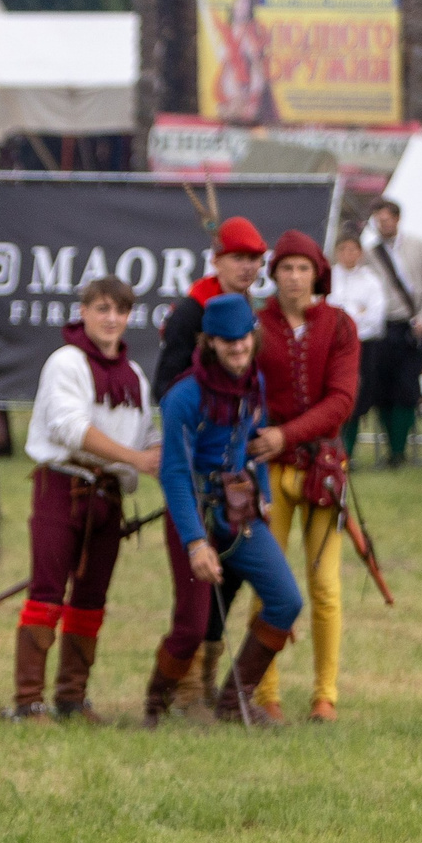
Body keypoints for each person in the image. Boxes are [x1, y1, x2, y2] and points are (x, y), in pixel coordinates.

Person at [144, 292, 304, 729]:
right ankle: (156, 705)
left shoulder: (254, 382)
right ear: (209, 342)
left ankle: (234, 700)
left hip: (238, 512)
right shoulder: (182, 397)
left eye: (244, 341)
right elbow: (174, 475)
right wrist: (195, 543)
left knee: (286, 600)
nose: (238, 350)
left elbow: (254, 442)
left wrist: (264, 491)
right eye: (227, 343)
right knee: (191, 625)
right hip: (193, 511)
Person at [13, 276, 159, 723]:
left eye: (120, 310)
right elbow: (70, 430)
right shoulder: (67, 362)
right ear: (84, 311)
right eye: (101, 308)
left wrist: (167, 448)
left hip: (109, 496)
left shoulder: (133, 376)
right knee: (48, 592)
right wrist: (135, 457)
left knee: (92, 597)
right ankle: (28, 701)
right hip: (64, 485)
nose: (111, 318)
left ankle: (72, 698)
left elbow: (148, 433)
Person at [245, 229, 359, 724]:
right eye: (286, 268)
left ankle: (324, 696)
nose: (294, 277)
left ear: (318, 274)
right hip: (266, 472)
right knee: (266, 584)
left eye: (303, 268)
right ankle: (264, 693)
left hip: (322, 469)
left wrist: (285, 434)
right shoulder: (252, 325)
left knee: (325, 585)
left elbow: (341, 401)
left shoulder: (340, 326)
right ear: (273, 274)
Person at [359, 197, 422, 467]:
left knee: (407, 389)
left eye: (386, 219)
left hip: (410, 327)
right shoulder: (369, 254)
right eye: (378, 221)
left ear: (397, 218)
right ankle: (389, 449)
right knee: (381, 390)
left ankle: (400, 450)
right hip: (381, 329)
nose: (383, 225)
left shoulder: (418, 247)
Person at [154, 216, 268, 400]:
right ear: (216, 261)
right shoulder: (191, 312)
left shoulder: (252, 307)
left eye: (254, 258)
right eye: (237, 258)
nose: (247, 267)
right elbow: (166, 385)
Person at [330, 232, 389, 457]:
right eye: (343, 249)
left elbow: (376, 319)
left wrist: (346, 316)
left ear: (360, 253)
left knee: (356, 396)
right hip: (332, 347)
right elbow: (324, 312)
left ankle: (349, 451)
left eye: (353, 249)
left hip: (363, 346)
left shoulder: (370, 281)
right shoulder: (327, 278)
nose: (348, 254)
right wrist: (356, 312)